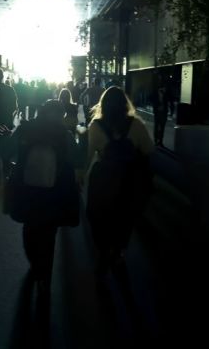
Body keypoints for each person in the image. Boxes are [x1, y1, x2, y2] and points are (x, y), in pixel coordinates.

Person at [2, 100, 81, 298]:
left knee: (29, 229)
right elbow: (77, 159)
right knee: (49, 235)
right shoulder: (64, 135)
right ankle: (44, 276)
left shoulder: (25, 129)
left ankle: (34, 264)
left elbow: (6, 152)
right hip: (54, 194)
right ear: (61, 116)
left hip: (27, 192)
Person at [86, 86, 154, 277]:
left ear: (103, 104)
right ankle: (118, 251)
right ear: (125, 103)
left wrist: (81, 175)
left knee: (98, 216)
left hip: (103, 181)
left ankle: (103, 250)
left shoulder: (96, 126)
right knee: (124, 218)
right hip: (129, 180)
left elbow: (88, 155)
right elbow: (149, 150)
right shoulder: (136, 124)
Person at [150, 76, 174, 146]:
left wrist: (171, 111)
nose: (164, 89)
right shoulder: (155, 92)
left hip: (164, 112)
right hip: (157, 111)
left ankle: (160, 141)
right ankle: (156, 139)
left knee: (162, 127)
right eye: (163, 88)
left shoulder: (167, 93)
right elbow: (151, 98)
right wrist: (156, 104)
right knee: (157, 126)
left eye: (165, 88)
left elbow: (171, 101)